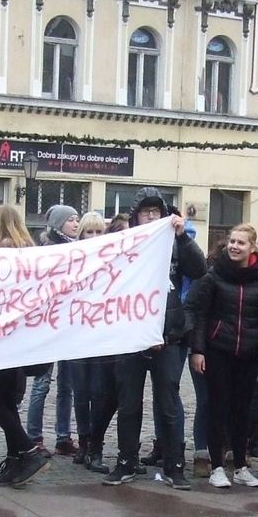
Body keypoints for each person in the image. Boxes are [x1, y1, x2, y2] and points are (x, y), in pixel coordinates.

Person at [103, 188, 206, 489]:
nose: (151, 217)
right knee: (129, 403)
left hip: (168, 335)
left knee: (169, 403)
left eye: (155, 212)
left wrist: (183, 237)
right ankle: (126, 461)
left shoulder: (176, 241)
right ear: (136, 216)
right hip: (132, 336)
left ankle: (175, 465)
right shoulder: (124, 243)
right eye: (145, 212)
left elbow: (199, 269)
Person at [186, 224, 258, 489]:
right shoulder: (213, 275)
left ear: (252, 247)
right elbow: (201, 314)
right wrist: (198, 350)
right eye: (232, 241)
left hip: (248, 352)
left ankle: (240, 466)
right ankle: (216, 467)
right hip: (218, 350)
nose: (235, 246)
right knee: (217, 408)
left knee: (242, 411)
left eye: (241, 242)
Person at [0, 205, 52, 488]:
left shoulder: (0, 252)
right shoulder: (30, 254)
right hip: (21, 340)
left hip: (1, 340)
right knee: (8, 403)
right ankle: (15, 462)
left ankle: (29, 451)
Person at [26, 205, 81, 457]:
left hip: (69, 325)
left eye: (77, 219)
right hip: (47, 324)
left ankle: (63, 436)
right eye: (70, 220)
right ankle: (34, 436)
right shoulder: (46, 251)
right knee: (42, 383)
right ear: (59, 224)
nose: (75, 223)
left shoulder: (79, 250)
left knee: (67, 386)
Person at [66, 211, 107, 466]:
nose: (93, 236)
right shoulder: (70, 260)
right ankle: (83, 442)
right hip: (75, 336)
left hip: (101, 335)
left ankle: (96, 444)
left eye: (98, 232)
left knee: (99, 392)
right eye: (89, 232)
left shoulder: (110, 260)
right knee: (80, 393)